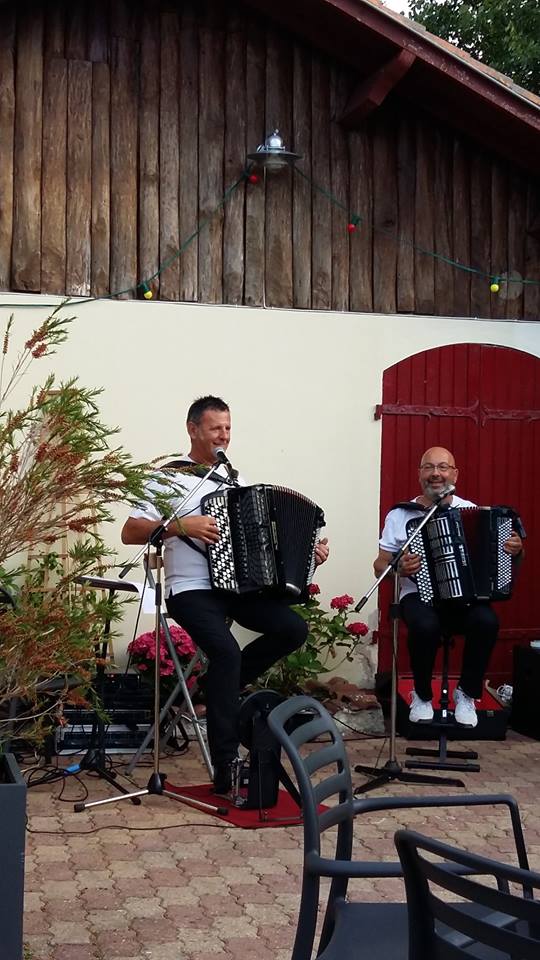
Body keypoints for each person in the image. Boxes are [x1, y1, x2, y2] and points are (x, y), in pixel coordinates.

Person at [121, 395, 329, 793]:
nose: (224, 436)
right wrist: (182, 526)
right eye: (216, 428)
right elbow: (130, 532)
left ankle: (209, 691)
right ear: (193, 429)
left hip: (235, 587)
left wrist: (306, 555)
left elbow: (262, 545)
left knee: (291, 630)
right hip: (191, 588)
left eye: (229, 428)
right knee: (228, 653)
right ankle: (225, 764)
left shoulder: (238, 480)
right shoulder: (168, 478)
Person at [373, 447, 523, 728]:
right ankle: (422, 695)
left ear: (455, 474)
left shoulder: (468, 510)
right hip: (417, 595)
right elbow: (379, 564)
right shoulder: (401, 515)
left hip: (463, 598)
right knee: (424, 625)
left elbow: (497, 556)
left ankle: (467, 693)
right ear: (420, 474)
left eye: (443, 467)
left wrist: (513, 549)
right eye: (428, 467)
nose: (436, 474)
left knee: (486, 620)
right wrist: (398, 568)